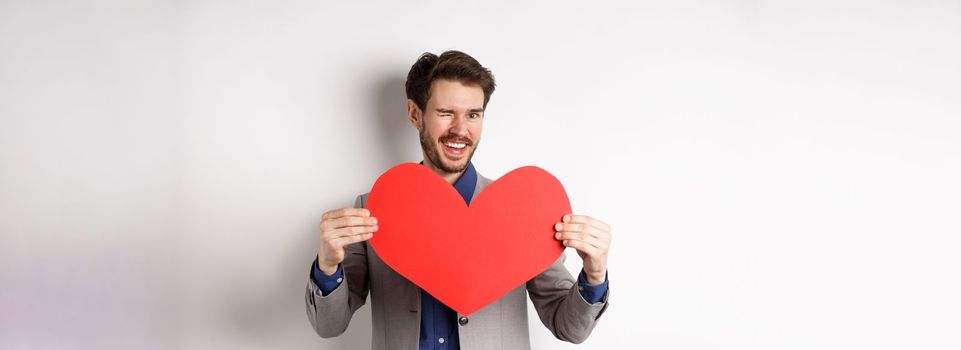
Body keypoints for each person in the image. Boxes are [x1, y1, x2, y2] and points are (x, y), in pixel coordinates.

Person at [305, 50, 612, 349]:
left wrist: (595, 274)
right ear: (415, 114)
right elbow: (330, 325)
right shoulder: (371, 209)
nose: (461, 129)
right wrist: (328, 266)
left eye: (473, 114)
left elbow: (569, 327)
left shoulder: (522, 210)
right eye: (446, 113)